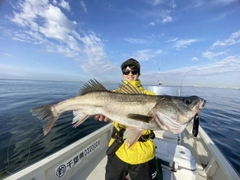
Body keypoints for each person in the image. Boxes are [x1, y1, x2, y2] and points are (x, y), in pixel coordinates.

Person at [94, 58, 159, 180]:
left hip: (142, 154)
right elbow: (113, 117)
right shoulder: (112, 95)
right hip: (119, 150)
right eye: (126, 71)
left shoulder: (151, 97)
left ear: (139, 74)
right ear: (122, 74)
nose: (130, 74)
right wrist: (106, 118)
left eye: (134, 71)